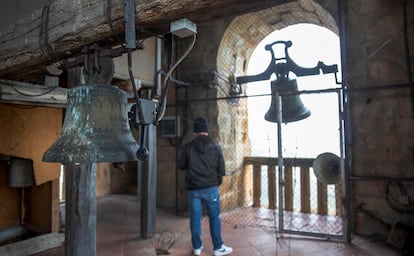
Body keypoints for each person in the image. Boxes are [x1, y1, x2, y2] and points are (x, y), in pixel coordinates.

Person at [178, 117, 233, 256]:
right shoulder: (216, 146)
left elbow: (181, 165)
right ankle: (218, 248)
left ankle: (197, 248)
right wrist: (215, 183)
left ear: (195, 131)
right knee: (214, 217)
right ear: (206, 130)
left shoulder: (189, 147)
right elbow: (221, 170)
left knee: (195, 218)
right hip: (211, 188)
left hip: (193, 189)